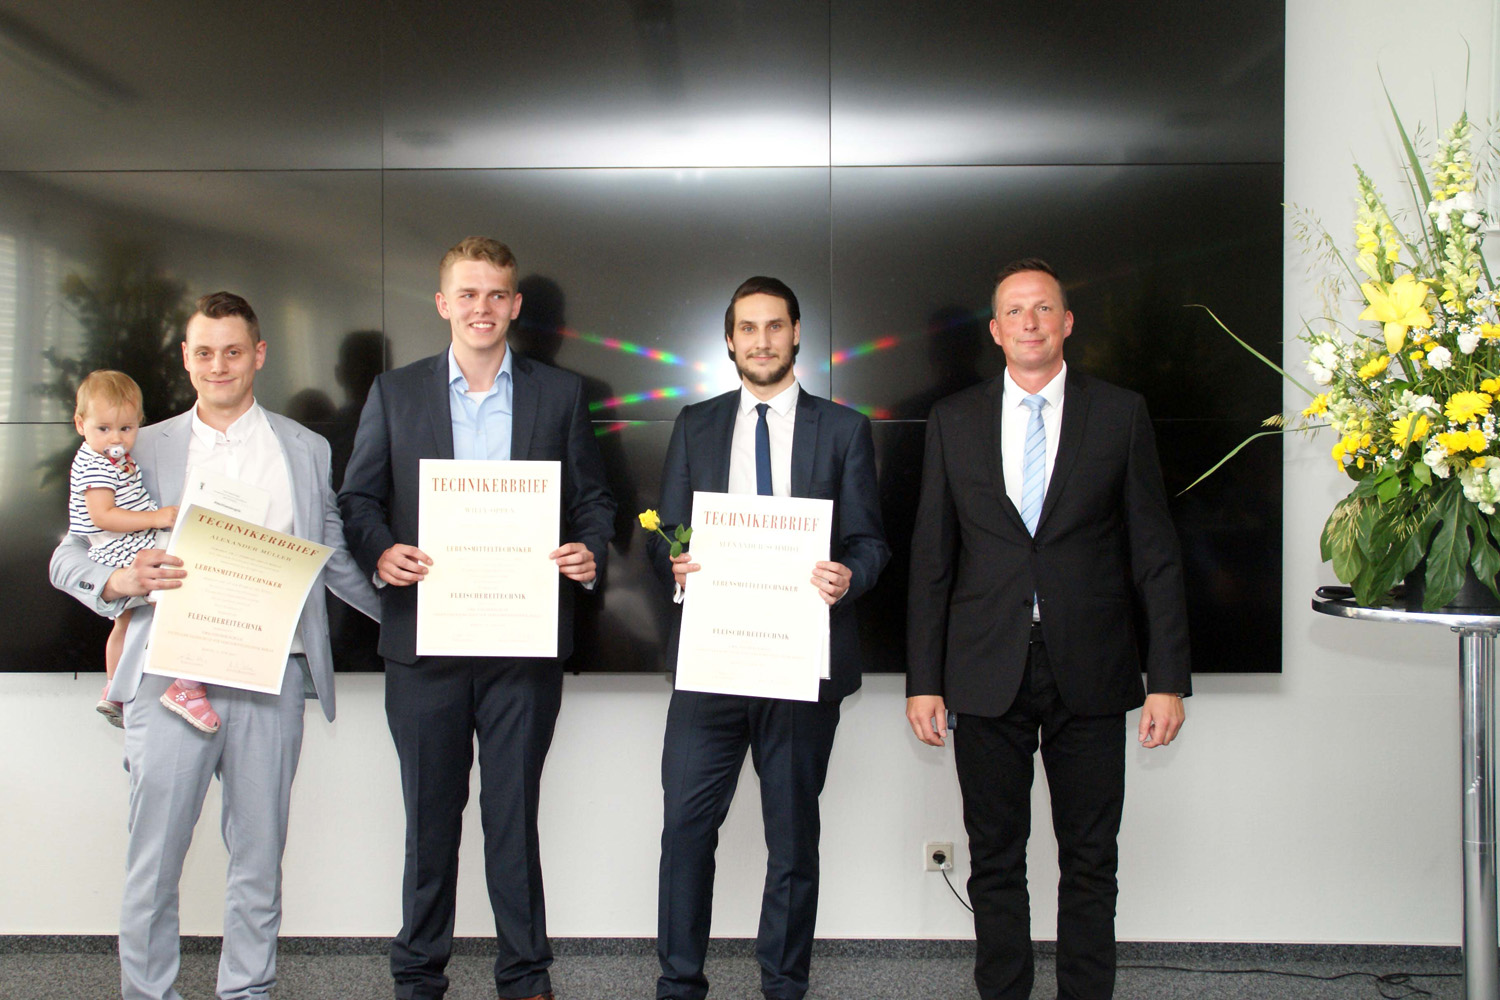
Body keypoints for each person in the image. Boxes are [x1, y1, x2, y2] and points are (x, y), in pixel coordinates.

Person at [49, 291, 380, 1000]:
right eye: (204, 352)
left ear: (258, 354)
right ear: (185, 358)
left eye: (233, 351)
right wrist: (117, 580)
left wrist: (414, 619)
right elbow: (70, 551)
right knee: (154, 859)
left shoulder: (307, 448)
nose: (219, 365)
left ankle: (248, 992)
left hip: (273, 672)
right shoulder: (139, 444)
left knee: (259, 859)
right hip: (168, 674)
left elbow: (333, 556)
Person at [905, 259, 1191, 1000]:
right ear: (995, 331)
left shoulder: (1120, 413)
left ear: (1066, 323)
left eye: (1043, 309)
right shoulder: (954, 419)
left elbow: (1155, 555)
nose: (1029, 322)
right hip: (983, 669)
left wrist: (1167, 680)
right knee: (994, 859)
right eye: (1014, 311)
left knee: (1091, 859)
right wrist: (923, 682)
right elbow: (932, 560)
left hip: (1092, 667)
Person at [338, 236, 615, 1000]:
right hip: (424, 645)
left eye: (496, 294)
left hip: (523, 645)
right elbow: (357, 499)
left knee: (512, 820)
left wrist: (589, 549)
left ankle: (525, 976)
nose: (481, 308)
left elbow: (594, 500)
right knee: (430, 823)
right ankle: (418, 977)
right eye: (467, 294)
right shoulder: (396, 393)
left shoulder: (560, 395)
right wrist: (381, 549)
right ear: (442, 304)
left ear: (515, 305)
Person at [650, 276, 889, 1000]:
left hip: (800, 664)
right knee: (686, 831)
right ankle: (679, 985)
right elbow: (667, 532)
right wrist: (675, 564)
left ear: (796, 334)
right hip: (711, 662)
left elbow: (871, 542)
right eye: (748, 328)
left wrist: (849, 574)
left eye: (775, 326)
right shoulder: (695, 424)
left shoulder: (843, 429)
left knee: (791, 841)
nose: (762, 341)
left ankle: (784, 985)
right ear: (729, 340)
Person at [66, 370, 199, 728]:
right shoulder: (95, 465)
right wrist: (156, 517)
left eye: (126, 428)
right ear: (80, 424)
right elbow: (103, 516)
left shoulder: (111, 457)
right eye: (104, 428)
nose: (116, 438)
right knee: (174, 603)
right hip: (119, 547)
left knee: (123, 624)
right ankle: (185, 687)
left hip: (122, 543)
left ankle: (113, 690)